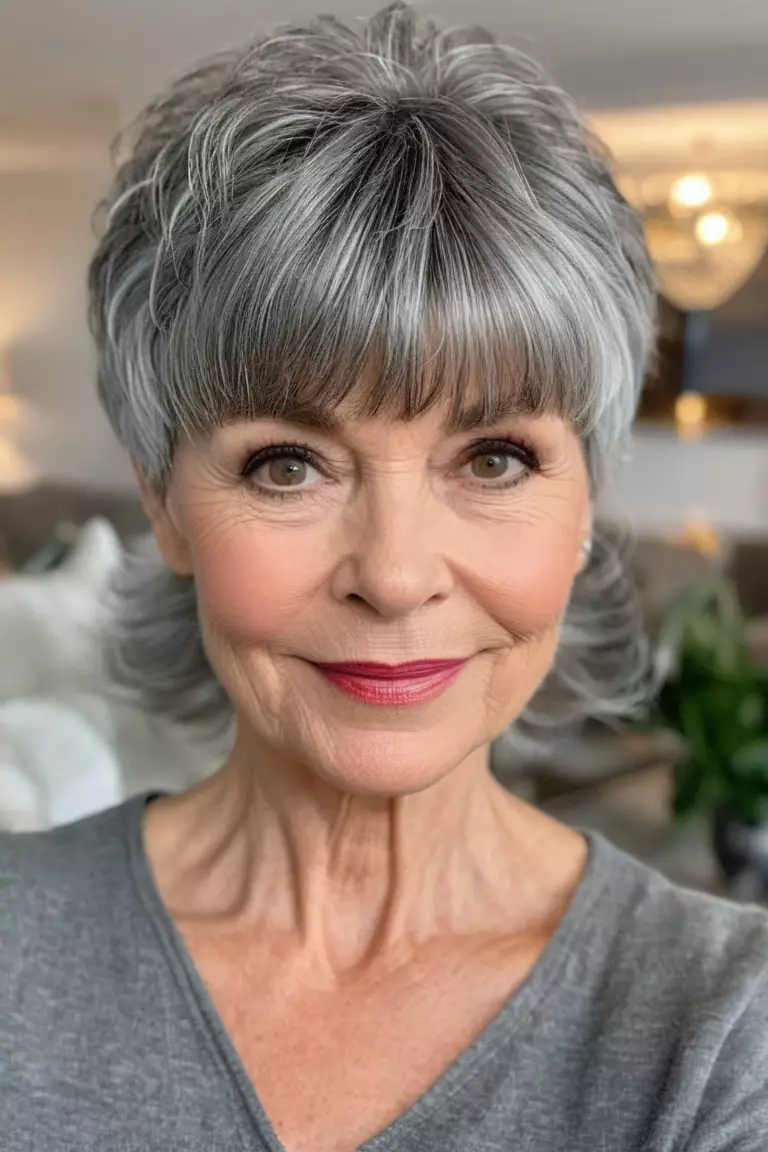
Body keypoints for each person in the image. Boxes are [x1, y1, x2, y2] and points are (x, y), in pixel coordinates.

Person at [2, 4, 767, 1150]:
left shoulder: (723, 1030)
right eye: (288, 464)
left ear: (583, 508)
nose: (397, 576)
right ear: (163, 503)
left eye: (496, 456)